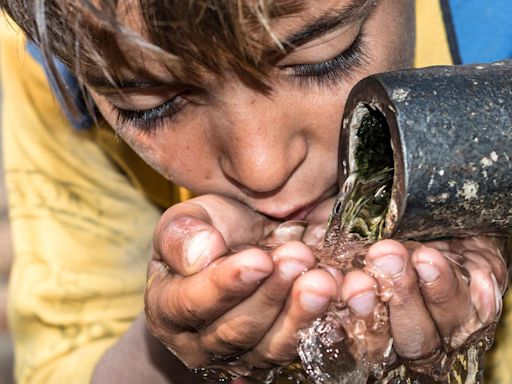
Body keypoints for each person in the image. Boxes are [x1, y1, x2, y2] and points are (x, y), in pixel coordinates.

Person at [0, 0, 510, 383]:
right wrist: (181, 340)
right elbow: (67, 360)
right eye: (151, 105)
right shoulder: (58, 62)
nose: (262, 169)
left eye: (323, 58)